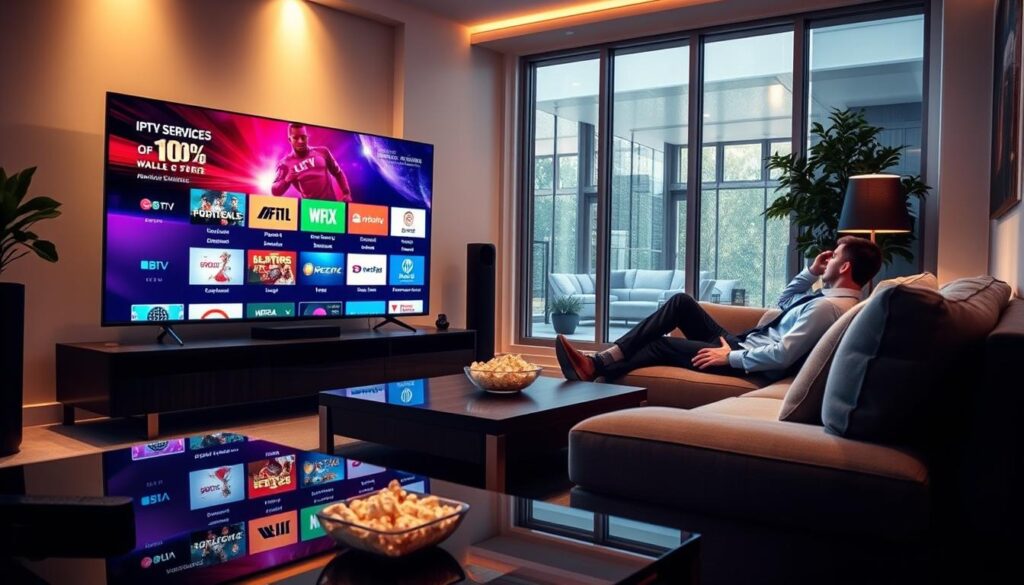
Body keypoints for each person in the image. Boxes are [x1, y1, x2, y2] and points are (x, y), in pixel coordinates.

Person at [555, 236, 882, 382]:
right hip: (742, 344)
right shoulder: (831, 299)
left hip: (749, 362)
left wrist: (729, 357)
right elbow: (784, 303)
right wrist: (811, 272)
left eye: (835, 256)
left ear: (845, 267)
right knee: (682, 302)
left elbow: (783, 355)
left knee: (660, 344)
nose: (828, 259)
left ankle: (597, 367)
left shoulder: (828, 308)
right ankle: (600, 361)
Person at [272, 123, 352, 201]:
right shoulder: (285, 163)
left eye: (303, 137)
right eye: (296, 138)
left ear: (307, 137)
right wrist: (286, 180)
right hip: (309, 209)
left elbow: (338, 173)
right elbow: (275, 191)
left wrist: (346, 193)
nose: (300, 141)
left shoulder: (322, 151)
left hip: (331, 207)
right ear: (290, 139)